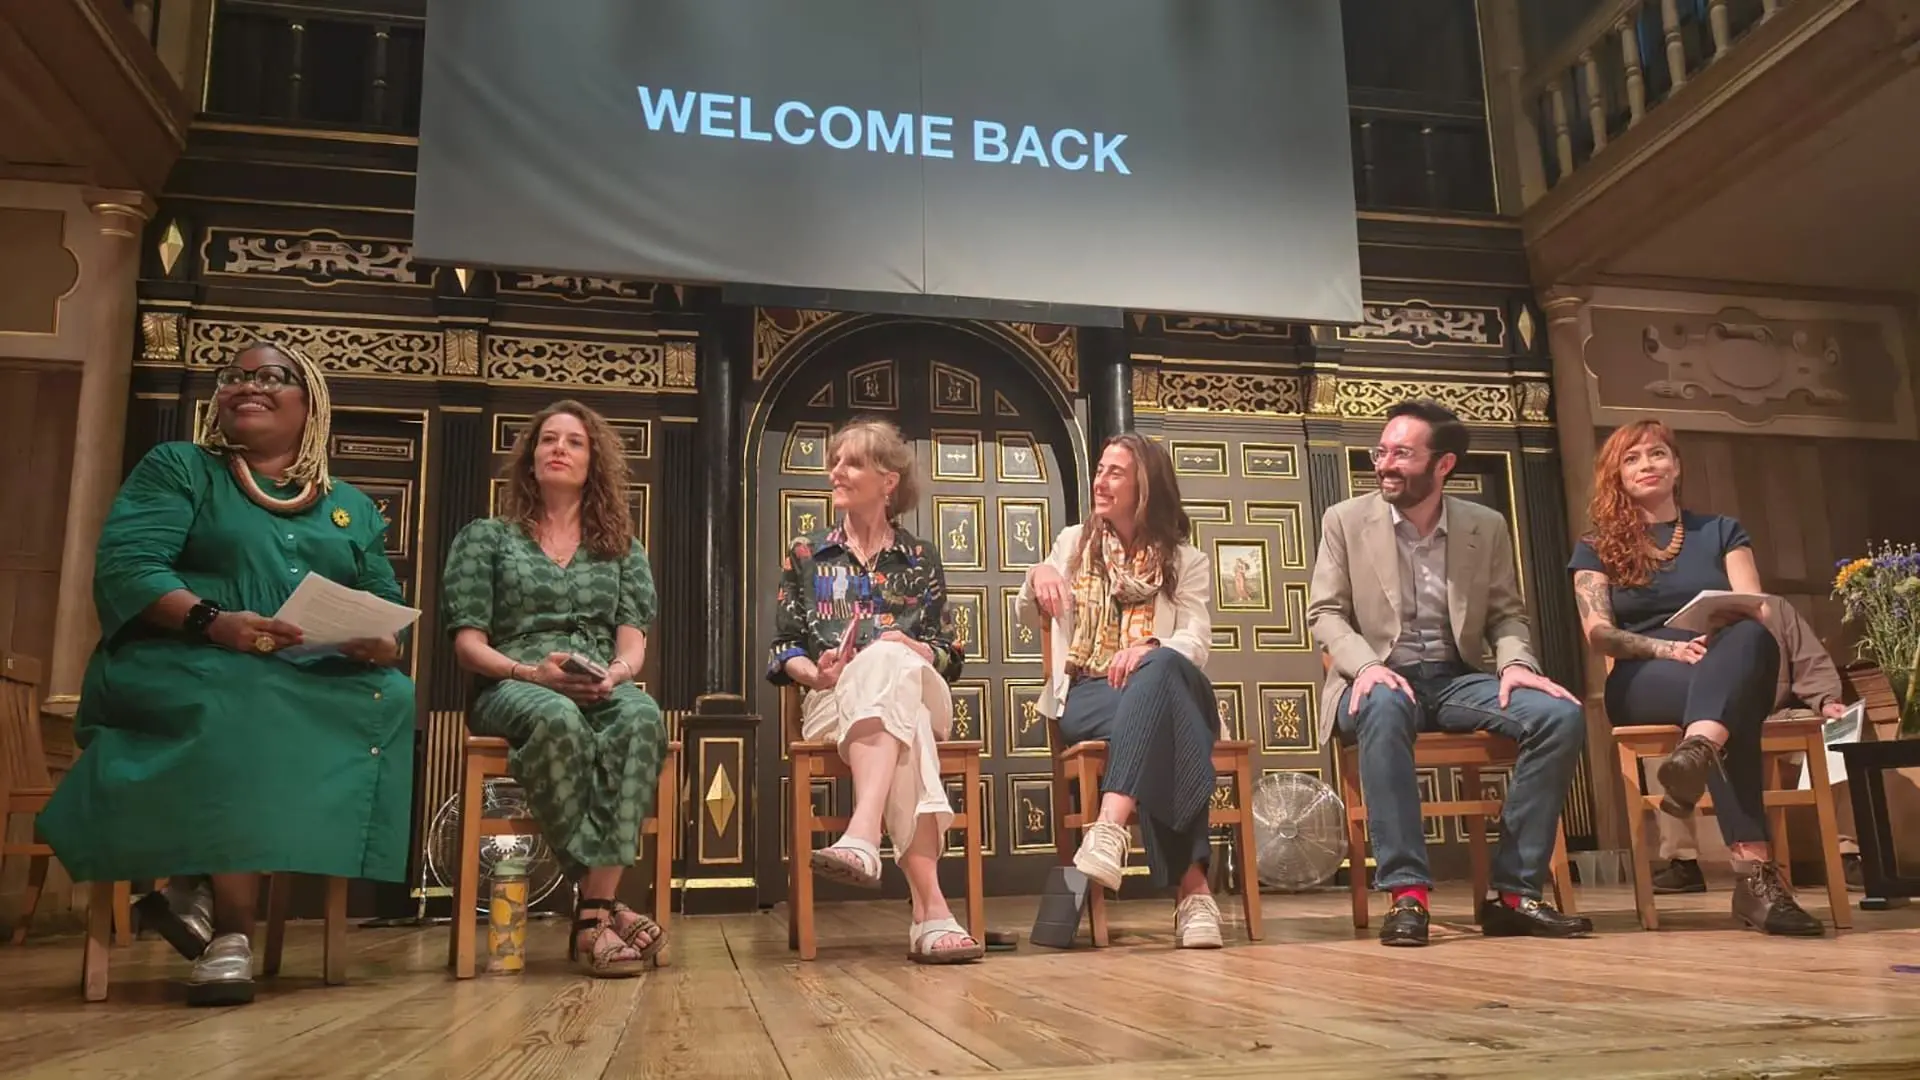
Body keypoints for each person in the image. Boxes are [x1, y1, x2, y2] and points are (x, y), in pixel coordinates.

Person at [36, 342, 415, 1007]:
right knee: (247, 688)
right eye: (234, 376)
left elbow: (380, 598)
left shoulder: (348, 504)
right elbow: (130, 568)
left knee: (392, 695)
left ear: (310, 403)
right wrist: (217, 622)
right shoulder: (180, 468)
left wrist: (379, 643)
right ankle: (230, 933)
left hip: (308, 670)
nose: (248, 386)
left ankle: (194, 890)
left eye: (271, 376)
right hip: (184, 657)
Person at [1308, 400, 1589, 947]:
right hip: (1376, 675)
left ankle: (1514, 893)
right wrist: (1365, 665)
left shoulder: (1485, 526)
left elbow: (1508, 613)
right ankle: (1407, 895)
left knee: (1559, 715)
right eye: (1381, 451)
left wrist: (1515, 664)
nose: (1385, 464)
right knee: (1384, 702)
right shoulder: (1344, 520)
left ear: (1444, 466)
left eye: (1402, 454)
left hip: (1456, 677)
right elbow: (1326, 613)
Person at [1569, 419, 1827, 935]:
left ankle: (1699, 747)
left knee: (1746, 648)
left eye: (1658, 454)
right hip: (1644, 678)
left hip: (1722, 660)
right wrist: (1668, 647)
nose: (1647, 465)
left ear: (1677, 465)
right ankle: (1756, 879)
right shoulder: (1596, 546)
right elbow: (1598, 633)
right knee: (1735, 706)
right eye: (1632, 458)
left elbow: (1761, 610)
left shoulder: (1722, 530)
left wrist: (1719, 631)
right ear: (1616, 475)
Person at [442, 399, 670, 976]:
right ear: (530, 457)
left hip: (597, 682)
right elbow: (468, 647)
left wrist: (617, 675)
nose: (559, 449)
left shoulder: (622, 549)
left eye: (574, 441)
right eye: (548, 440)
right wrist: (530, 673)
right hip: (514, 682)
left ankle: (593, 911)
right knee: (556, 718)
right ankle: (603, 908)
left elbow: (632, 643)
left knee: (642, 717)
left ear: (594, 462)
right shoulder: (487, 539)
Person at [765, 418, 980, 964]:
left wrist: (914, 649)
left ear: (889, 481)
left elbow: (951, 653)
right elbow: (784, 647)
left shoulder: (921, 559)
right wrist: (818, 673)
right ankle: (931, 910)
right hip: (833, 702)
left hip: (920, 688)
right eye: (835, 461)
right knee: (900, 724)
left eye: (852, 462)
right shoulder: (807, 555)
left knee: (889, 660)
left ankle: (862, 834)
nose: (837, 471)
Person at [1018, 433, 1224, 948]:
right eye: (1100, 469)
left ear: (1145, 486)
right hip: (1088, 694)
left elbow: (1196, 639)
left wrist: (1151, 646)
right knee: (1175, 719)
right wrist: (1037, 572)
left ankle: (1109, 827)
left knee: (1162, 674)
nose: (1099, 481)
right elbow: (1029, 611)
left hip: (1156, 686)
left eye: (1115, 472)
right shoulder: (1072, 544)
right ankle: (1194, 894)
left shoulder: (1185, 560)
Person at [1646, 601, 1859, 895]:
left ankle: (1846, 851)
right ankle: (1683, 861)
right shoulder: (1678, 618)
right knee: (1674, 750)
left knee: (1840, 731)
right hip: (1697, 714)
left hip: (1774, 709)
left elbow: (1811, 660)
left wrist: (1825, 699)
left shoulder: (1778, 609)